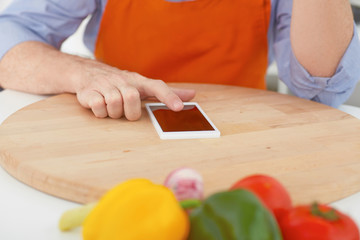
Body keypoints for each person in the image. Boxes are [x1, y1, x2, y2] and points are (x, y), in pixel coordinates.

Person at [0, 0, 359, 120]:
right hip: (116, 131)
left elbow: (321, 93)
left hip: (244, 140)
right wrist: (82, 73)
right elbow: (10, 36)